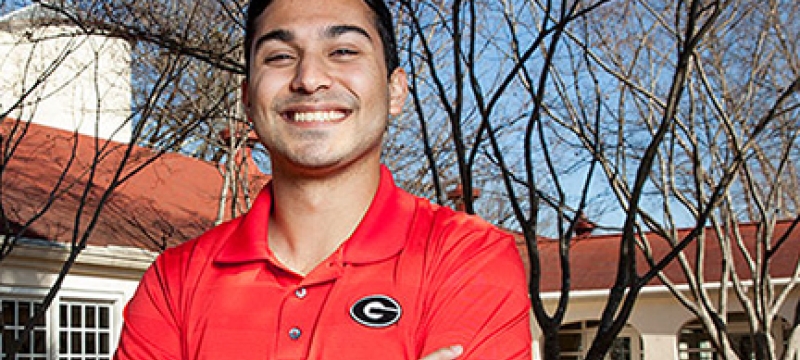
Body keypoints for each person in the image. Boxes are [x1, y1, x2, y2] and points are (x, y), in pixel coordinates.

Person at [113, 0, 532, 358]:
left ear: (396, 90)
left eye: (344, 51)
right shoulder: (175, 282)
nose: (309, 78)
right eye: (279, 56)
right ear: (246, 97)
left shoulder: (468, 259)